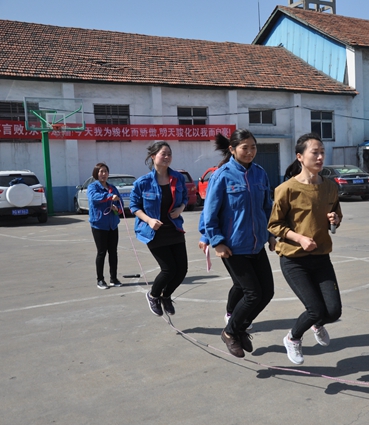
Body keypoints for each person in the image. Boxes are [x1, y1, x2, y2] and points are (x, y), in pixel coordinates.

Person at [268, 133, 342, 365]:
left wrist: (335, 219)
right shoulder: (286, 189)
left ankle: (317, 324)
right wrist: (299, 238)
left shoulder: (330, 187)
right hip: (294, 259)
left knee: (333, 312)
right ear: (300, 157)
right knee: (315, 309)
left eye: (322, 152)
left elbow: (336, 216)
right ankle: (293, 338)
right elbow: (274, 225)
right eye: (315, 152)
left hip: (321, 257)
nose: (320, 157)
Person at [201, 129, 276, 358]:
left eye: (253, 147)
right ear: (232, 149)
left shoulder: (260, 174)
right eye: (245, 147)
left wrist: (271, 234)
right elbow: (210, 212)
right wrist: (216, 241)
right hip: (233, 247)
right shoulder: (221, 175)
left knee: (267, 293)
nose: (250, 152)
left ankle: (240, 327)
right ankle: (230, 332)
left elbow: (266, 207)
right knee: (252, 293)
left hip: (257, 244)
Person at [130, 141, 189, 317]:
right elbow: (134, 206)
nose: (167, 157)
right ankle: (153, 295)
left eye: (169, 154)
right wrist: (148, 220)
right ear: (153, 156)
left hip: (174, 229)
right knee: (169, 269)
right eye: (163, 154)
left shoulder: (178, 178)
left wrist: (180, 209)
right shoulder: (143, 182)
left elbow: (185, 197)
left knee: (182, 270)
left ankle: (166, 296)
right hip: (154, 232)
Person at [87, 162, 122, 290]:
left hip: (113, 225)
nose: (103, 174)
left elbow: (120, 203)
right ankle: (100, 280)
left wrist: (116, 208)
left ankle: (114, 278)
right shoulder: (92, 187)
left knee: (113, 252)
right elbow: (94, 198)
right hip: (99, 225)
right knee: (102, 252)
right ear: (96, 173)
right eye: (101, 171)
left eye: (105, 171)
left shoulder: (113, 188)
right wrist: (108, 197)